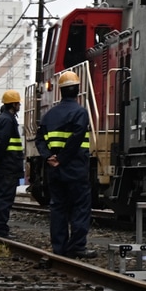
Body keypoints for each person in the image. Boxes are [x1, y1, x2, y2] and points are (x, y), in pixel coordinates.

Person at [34, 71, 95, 258]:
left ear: (60, 91)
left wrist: (49, 157)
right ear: (77, 89)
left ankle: (59, 248)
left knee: (58, 207)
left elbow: (39, 140)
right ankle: (76, 247)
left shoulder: (49, 115)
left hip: (55, 170)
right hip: (75, 168)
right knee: (80, 207)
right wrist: (62, 158)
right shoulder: (80, 112)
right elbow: (76, 139)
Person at [0, 89, 24, 238]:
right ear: (13, 104)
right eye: (18, 103)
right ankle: (0, 230)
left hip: (3, 165)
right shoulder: (8, 120)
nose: (19, 105)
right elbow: (2, 143)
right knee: (4, 198)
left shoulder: (2, 119)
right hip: (8, 166)